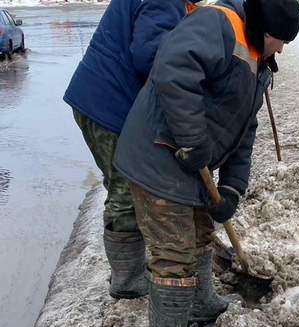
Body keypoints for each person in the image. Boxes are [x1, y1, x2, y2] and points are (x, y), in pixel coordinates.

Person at [114, 0, 299, 327]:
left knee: (201, 232)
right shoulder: (218, 23)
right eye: (279, 40)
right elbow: (173, 70)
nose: (281, 50)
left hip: (189, 165)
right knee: (174, 249)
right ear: (262, 29)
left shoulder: (258, 61)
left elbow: (245, 129)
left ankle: (200, 302)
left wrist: (232, 186)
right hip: (159, 156)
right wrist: (192, 139)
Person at [63, 0, 199, 300]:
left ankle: (131, 268)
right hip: (107, 104)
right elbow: (152, 56)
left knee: (126, 183)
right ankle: (127, 280)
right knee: (125, 186)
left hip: (103, 96)